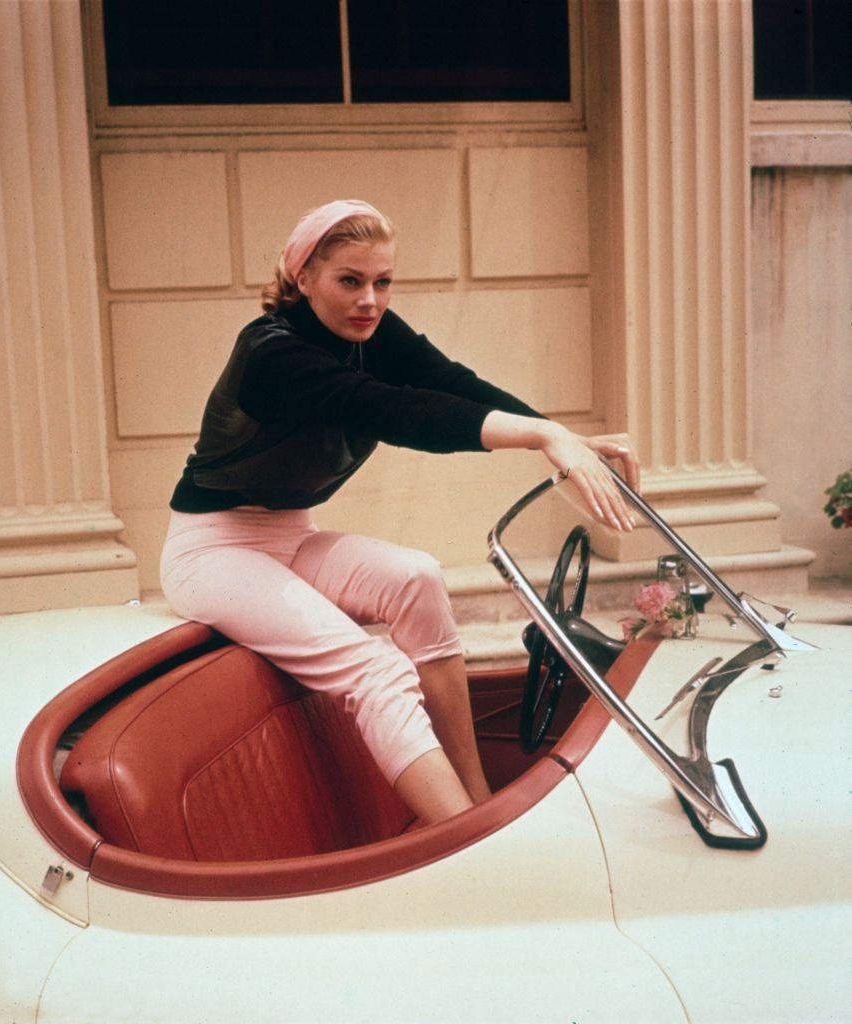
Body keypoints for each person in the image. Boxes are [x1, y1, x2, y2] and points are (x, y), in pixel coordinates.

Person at [160, 199, 641, 825]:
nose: (370, 300)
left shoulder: (369, 334)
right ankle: (459, 838)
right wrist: (542, 441)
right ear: (302, 279)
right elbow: (400, 412)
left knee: (417, 577)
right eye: (350, 281)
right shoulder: (271, 353)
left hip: (288, 537)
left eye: (382, 282)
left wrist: (558, 434)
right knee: (375, 667)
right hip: (212, 550)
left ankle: (475, 800)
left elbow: (449, 383)